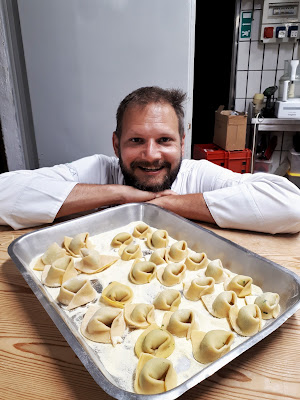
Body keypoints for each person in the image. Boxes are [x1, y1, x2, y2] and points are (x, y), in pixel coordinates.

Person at [0, 86, 300, 234]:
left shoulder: (197, 175)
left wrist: (166, 204)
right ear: (116, 144)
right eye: (136, 140)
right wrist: (120, 194)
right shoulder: (99, 169)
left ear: (183, 143)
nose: (151, 154)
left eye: (165, 140)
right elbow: (5, 194)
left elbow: (290, 205)